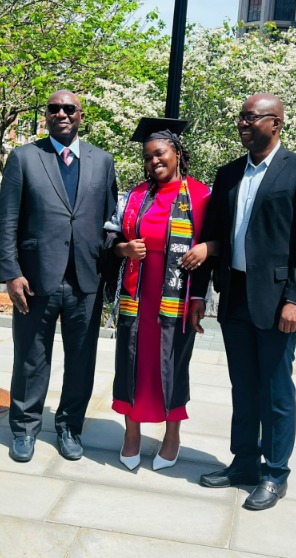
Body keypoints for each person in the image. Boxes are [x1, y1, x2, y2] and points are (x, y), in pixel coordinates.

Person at [190, 93, 296, 511]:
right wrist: (200, 293)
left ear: (277, 123)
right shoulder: (228, 174)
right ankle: (244, 463)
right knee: (244, 386)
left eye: (252, 118)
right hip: (234, 297)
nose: (243, 124)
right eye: (241, 118)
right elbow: (214, 235)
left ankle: (275, 473)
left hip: (277, 302)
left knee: (275, 389)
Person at [0, 89, 118, 462]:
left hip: (86, 278)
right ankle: (24, 428)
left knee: (82, 359)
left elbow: (111, 221)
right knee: (31, 358)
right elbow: (7, 222)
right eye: (55, 108)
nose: (62, 114)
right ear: (47, 115)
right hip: (34, 281)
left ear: (81, 115)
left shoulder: (103, 161)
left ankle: (69, 426)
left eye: (70, 109)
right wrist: (11, 273)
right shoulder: (24, 158)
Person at [104, 117, 212, 471]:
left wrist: (199, 295)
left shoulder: (200, 195)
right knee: (131, 363)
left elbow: (214, 248)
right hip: (137, 297)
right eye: (148, 157)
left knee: (173, 365)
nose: (154, 162)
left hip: (176, 300)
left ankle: (171, 436)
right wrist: (123, 249)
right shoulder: (135, 195)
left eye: (160, 153)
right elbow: (110, 237)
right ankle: (131, 434)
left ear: (177, 153)